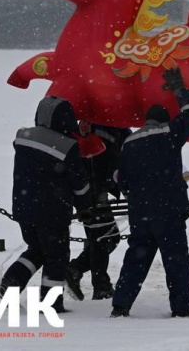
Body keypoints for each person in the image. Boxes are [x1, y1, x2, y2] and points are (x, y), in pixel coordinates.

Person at [110, 67, 189, 318]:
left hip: (140, 212)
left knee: (136, 259)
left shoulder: (130, 142)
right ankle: (181, 308)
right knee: (176, 259)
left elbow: (123, 181)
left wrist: (138, 197)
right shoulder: (170, 133)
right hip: (168, 209)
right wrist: (179, 89)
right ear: (164, 119)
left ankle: (121, 305)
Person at [0, 96, 93, 313]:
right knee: (56, 256)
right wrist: (85, 206)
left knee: (37, 249)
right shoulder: (67, 146)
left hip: (23, 207)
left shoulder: (22, 137)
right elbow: (79, 184)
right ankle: (50, 303)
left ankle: (11, 282)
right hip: (52, 212)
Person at [65, 123, 129, 301]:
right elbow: (99, 161)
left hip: (92, 190)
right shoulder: (101, 128)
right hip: (92, 191)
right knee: (102, 238)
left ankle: (77, 270)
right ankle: (100, 286)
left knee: (107, 238)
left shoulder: (110, 128)